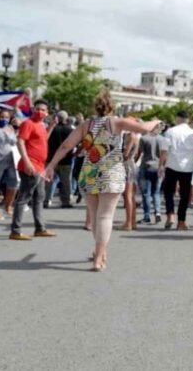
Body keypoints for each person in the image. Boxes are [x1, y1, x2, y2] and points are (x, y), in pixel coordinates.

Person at [43, 91, 159, 271]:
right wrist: (156, 121)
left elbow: (66, 145)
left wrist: (51, 165)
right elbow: (144, 129)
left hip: (89, 172)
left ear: (95, 107)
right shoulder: (118, 122)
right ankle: (99, 256)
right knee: (106, 216)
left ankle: (100, 252)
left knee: (96, 215)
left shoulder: (85, 124)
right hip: (111, 172)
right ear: (112, 107)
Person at [9, 99, 56, 241]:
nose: (40, 112)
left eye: (43, 110)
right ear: (33, 109)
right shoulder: (28, 123)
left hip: (39, 167)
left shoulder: (41, 125)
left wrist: (52, 126)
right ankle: (15, 231)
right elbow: (20, 141)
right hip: (30, 166)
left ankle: (39, 228)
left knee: (39, 197)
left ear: (47, 113)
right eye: (37, 109)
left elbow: (42, 139)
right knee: (23, 198)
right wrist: (27, 161)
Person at [159, 111, 193, 230]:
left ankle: (170, 216)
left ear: (177, 118)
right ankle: (181, 221)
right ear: (187, 119)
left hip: (172, 165)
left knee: (169, 192)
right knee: (184, 195)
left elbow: (164, 150)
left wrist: (161, 165)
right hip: (187, 168)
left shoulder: (170, 131)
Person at [44, 110, 75, 209]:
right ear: (66, 118)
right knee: (66, 182)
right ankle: (66, 201)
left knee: (49, 181)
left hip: (51, 159)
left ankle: (47, 200)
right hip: (66, 160)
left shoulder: (51, 129)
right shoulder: (70, 130)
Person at [138, 124, 164, 224]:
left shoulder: (144, 138)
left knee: (146, 194)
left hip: (146, 166)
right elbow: (165, 154)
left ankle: (147, 216)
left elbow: (140, 152)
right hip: (158, 166)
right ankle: (158, 212)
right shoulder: (162, 139)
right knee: (156, 192)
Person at [118, 126, 140, 231]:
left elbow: (126, 154)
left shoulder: (131, 136)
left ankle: (129, 223)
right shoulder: (132, 135)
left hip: (127, 165)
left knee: (128, 195)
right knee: (130, 196)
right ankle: (132, 221)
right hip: (130, 164)